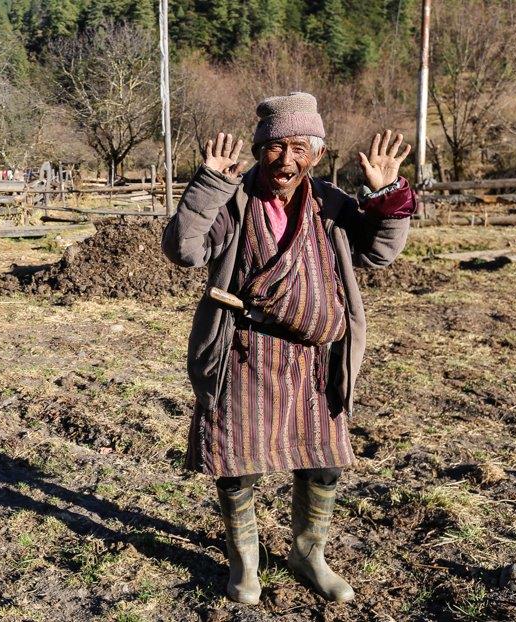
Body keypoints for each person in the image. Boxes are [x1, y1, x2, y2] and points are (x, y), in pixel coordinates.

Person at [161, 92, 416, 604]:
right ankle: (245, 562)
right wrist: (209, 184)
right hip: (244, 355)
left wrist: (386, 193)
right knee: (238, 463)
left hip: (316, 362)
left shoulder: (332, 204)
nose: (285, 159)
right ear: (258, 151)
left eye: (299, 146)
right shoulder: (233, 201)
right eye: (274, 146)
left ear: (317, 154)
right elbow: (184, 251)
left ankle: (308, 553)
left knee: (323, 463)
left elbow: (380, 253)